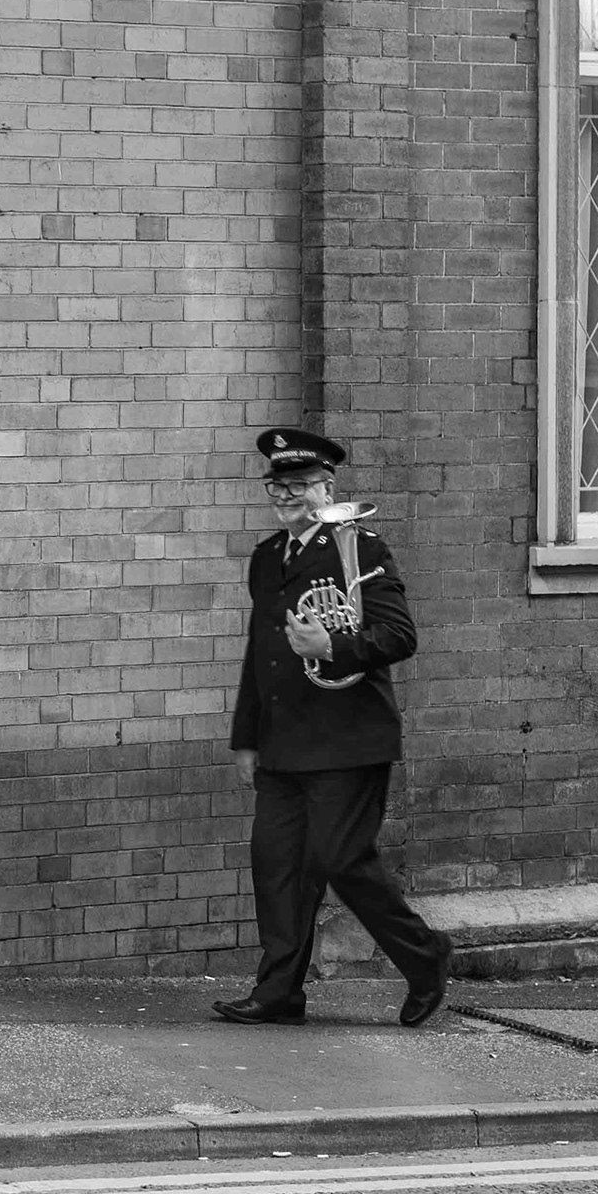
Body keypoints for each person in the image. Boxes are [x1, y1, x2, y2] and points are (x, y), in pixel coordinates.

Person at [214, 427, 452, 1028]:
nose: (286, 495)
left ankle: (425, 958)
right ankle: (278, 994)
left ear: (327, 488)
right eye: (278, 484)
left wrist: (333, 643)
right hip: (283, 740)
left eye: (298, 485)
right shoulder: (269, 556)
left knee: (342, 860)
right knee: (278, 867)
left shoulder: (362, 549)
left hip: (350, 736)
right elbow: (260, 652)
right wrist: (247, 735)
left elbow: (401, 636)